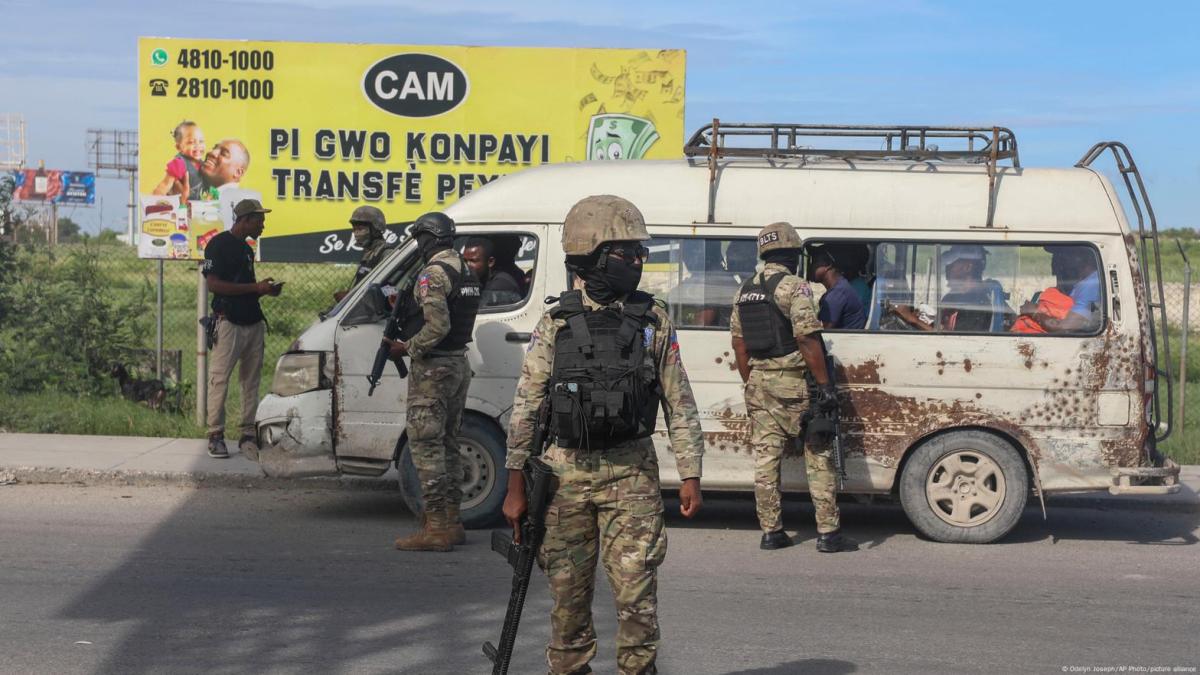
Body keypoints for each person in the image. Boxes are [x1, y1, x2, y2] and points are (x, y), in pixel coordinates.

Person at [502, 194, 704, 674]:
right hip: (563, 476)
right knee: (568, 602)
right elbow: (528, 403)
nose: (638, 262)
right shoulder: (555, 322)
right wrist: (514, 486)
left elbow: (679, 398)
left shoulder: (653, 319)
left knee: (637, 595)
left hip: (631, 474)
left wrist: (690, 473)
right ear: (591, 257)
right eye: (627, 254)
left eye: (641, 254)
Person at [731, 221, 857, 553]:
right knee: (818, 454)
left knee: (766, 459)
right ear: (792, 254)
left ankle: (771, 532)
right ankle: (828, 533)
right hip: (795, 385)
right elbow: (806, 336)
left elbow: (739, 346)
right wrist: (824, 385)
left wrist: (755, 382)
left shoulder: (744, 290)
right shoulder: (795, 287)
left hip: (758, 383)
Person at [388, 212, 481, 552]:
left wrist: (405, 347)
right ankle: (452, 522)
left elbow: (437, 327)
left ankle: (436, 529)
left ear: (427, 238)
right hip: (458, 363)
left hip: (434, 369)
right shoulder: (465, 269)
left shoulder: (433, 274)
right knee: (449, 443)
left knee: (426, 446)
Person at [202, 198, 282, 459]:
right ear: (245, 219)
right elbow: (214, 285)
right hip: (229, 322)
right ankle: (215, 435)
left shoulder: (247, 249)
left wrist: (264, 291)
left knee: (251, 381)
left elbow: (244, 290)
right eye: (259, 220)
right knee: (220, 379)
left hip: (252, 321)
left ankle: (247, 433)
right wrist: (255, 288)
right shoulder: (218, 245)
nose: (263, 225)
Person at [890, 244, 1009, 332]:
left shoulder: (976, 304)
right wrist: (921, 318)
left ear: (968, 267)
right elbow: (942, 328)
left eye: (952, 263)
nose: (947, 268)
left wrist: (912, 320)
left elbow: (954, 341)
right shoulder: (952, 298)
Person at [1017, 246, 1101, 333]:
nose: (1056, 259)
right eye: (1056, 255)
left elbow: (1064, 328)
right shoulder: (1083, 283)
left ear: (1080, 257)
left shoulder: (1090, 286)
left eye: (1063, 254)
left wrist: (1033, 312)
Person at [333, 205, 394, 302]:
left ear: (375, 229)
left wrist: (373, 294)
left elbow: (392, 290)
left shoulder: (386, 254)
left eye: (360, 229)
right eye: (354, 230)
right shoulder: (369, 253)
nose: (356, 234)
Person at [809, 248, 867, 329]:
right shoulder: (841, 287)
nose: (811, 268)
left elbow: (823, 331)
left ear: (828, 265)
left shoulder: (837, 293)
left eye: (815, 264)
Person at [152, 120, 205, 203]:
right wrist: (154, 201)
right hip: (180, 208)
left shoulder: (203, 164)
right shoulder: (179, 163)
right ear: (179, 147)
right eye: (191, 142)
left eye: (201, 141)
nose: (198, 146)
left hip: (196, 209)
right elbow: (164, 185)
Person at [462, 236, 522, 306]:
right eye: (465, 261)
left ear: (490, 262)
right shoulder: (477, 279)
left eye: (473, 261)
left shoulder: (501, 284)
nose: (467, 266)